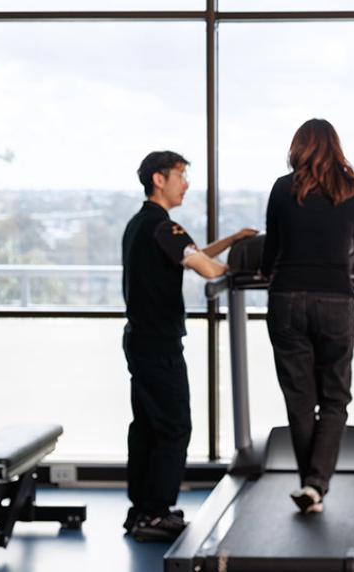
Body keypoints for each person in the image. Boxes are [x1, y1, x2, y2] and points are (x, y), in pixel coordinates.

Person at [122, 150, 257, 542]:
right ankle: (156, 513)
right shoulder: (164, 226)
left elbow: (192, 255)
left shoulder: (141, 224)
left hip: (140, 340)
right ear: (158, 180)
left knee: (147, 426)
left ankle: (142, 510)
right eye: (180, 175)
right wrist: (242, 269)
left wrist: (232, 241)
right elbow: (203, 266)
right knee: (174, 426)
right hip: (159, 343)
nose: (186, 183)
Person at [260, 119, 354, 514]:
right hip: (334, 301)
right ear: (336, 147)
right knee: (334, 398)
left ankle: (309, 484)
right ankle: (316, 485)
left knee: (299, 400)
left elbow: (271, 252)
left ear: (299, 146)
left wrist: (268, 270)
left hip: (286, 299)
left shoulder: (284, 188)